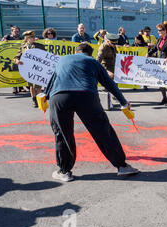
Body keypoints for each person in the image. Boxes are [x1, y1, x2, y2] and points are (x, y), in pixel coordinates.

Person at [44, 43, 140, 182]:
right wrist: (123, 102)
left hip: (59, 97)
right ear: (90, 53)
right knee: (103, 131)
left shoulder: (62, 59)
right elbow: (109, 83)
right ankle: (122, 166)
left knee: (62, 133)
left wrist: (45, 97)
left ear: (76, 51)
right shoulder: (92, 61)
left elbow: (52, 80)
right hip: (86, 95)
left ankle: (64, 171)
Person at [13, 31, 46, 107]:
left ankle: (40, 101)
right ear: (27, 38)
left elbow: (46, 56)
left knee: (38, 86)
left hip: (38, 69)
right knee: (31, 86)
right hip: (28, 69)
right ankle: (34, 100)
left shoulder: (39, 46)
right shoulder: (23, 46)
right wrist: (17, 61)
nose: (33, 38)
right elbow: (16, 57)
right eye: (31, 37)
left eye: (34, 37)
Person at [3, 26, 25, 94]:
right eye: (15, 31)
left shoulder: (21, 38)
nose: (16, 32)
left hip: (19, 57)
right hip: (10, 57)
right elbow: (1, 42)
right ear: (11, 32)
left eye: (17, 31)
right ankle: (14, 88)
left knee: (20, 72)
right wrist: (4, 40)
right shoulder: (8, 37)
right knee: (13, 73)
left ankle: (21, 87)